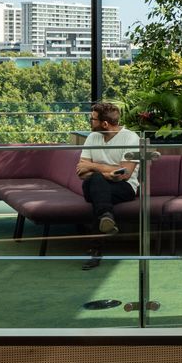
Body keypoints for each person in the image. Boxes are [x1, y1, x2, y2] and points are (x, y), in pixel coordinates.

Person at [76, 101, 140, 270]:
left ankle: (96, 248)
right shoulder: (91, 137)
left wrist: (93, 167)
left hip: (125, 188)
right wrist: (106, 174)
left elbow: (125, 174)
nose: (90, 121)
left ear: (104, 123)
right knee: (97, 181)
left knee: (98, 189)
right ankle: (106, 216)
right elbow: (81, 173)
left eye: (93, 119)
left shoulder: (130, 138)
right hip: (92, 186)